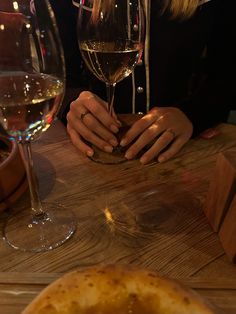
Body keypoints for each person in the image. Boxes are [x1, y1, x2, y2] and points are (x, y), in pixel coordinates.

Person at [51, 0, 236, 164]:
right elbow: (56, 73)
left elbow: (226, 76)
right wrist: (72, 102)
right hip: (93, 149)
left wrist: (192, 115)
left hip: (182, 152)